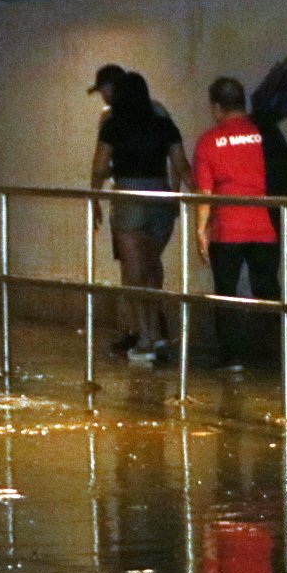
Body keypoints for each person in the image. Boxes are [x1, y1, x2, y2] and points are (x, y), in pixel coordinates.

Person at [92, 72, 190, 363]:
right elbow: (181, 165)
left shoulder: (113, 126)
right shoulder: (164, 123)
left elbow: (98, 166)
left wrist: (95, 196)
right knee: (150, 268)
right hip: (160, 196)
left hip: (129, 196)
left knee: (134, 274)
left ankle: (146, 339)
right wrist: (185, 197)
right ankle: (157, 336)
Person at [191, 76, 278, 373]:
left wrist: (200, 231)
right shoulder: (263, 134)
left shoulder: (208, 142)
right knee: (267, 288)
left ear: (216, 107)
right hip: (263, 226)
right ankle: (274, 351)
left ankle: (232, 358)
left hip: (228, 229)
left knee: (225, 292)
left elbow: (205, 193)